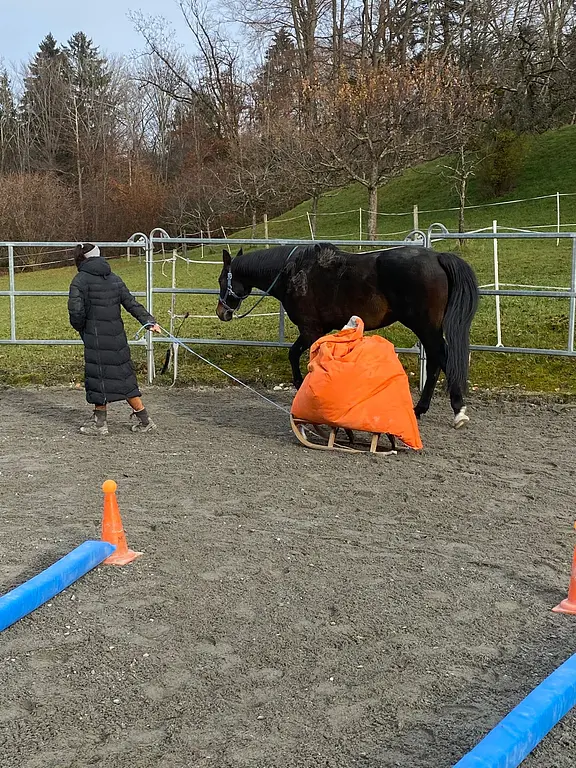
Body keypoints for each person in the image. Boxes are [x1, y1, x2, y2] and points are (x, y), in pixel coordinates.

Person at [68, 242, 161, 436]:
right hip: (117, 338)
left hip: (94, 338)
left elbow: (76, 313)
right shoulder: (114, 278)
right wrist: (149, 321)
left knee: (98, 377)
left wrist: (83, 329)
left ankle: (99, 424)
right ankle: (144, 419)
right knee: (124, 378)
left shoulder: (79, 280)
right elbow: (131, 303)